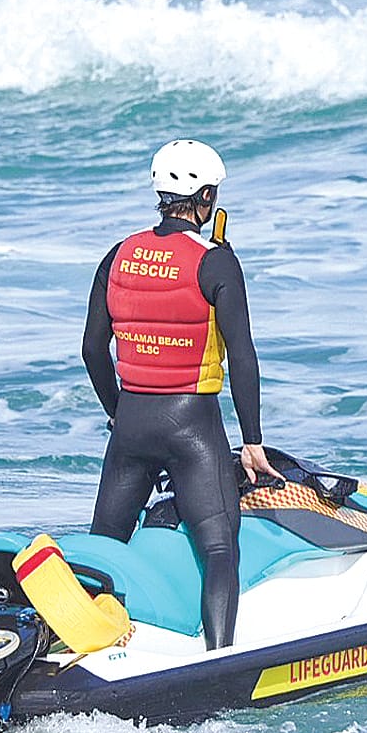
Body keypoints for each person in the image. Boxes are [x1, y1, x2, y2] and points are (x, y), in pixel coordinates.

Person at [81, 138, 281, 650]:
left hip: (130, 426)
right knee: (218, 549)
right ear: (207, 196)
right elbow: (242, 354)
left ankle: (83, 646)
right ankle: (218, 660)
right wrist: (253, 440)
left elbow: (91, 350)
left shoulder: (118, 254)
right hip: (191, 426)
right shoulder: (216, 263)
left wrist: (118, 411)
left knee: (103, 548)